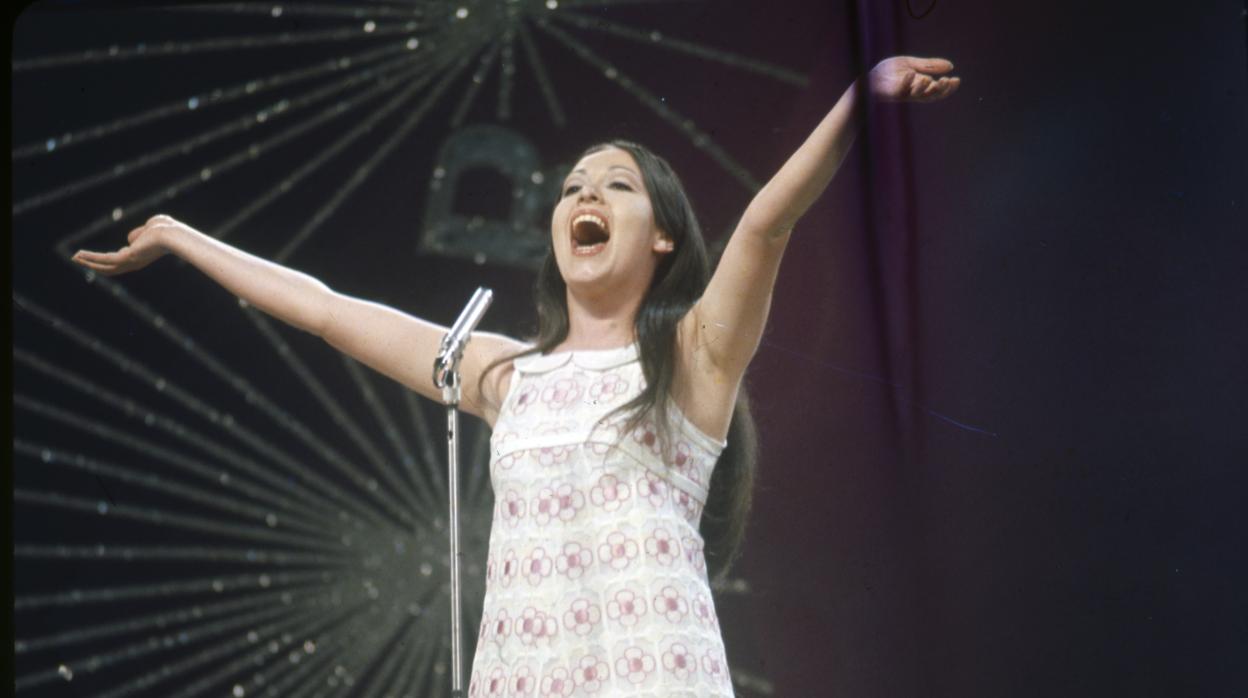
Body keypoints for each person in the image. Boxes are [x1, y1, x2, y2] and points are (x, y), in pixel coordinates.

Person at [73, 56, 959, 696]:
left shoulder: (693, 358)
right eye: (573, 187)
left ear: (662, 237)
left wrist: (857, 106)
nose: (582, 198)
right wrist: (182, 237)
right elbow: (324, 307)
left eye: (614, 187)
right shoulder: (504, 375)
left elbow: (765, 226)